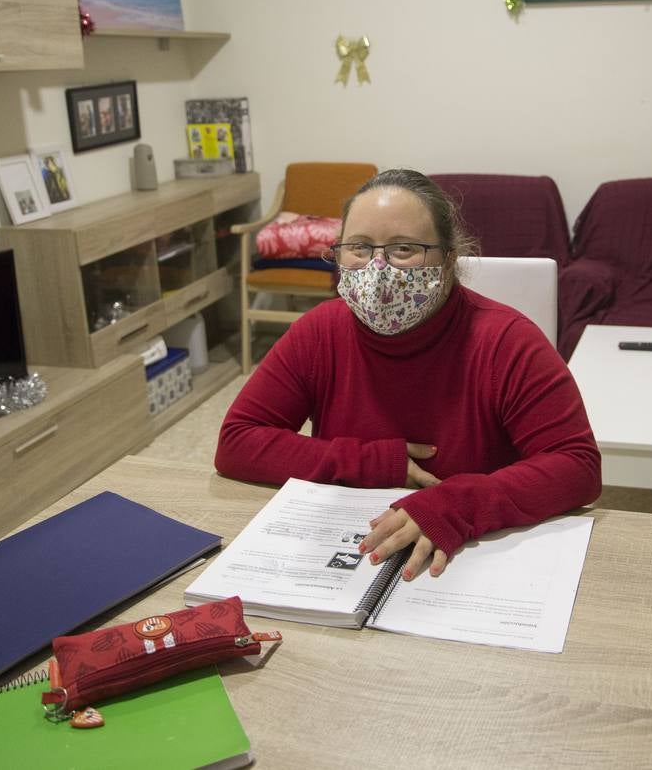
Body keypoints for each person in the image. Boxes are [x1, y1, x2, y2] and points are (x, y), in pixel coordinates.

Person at [215, 168, 601, 580]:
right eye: (359, 248)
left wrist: (458, 503)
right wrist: (372, 463)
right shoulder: (320, 331)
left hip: (472, 558)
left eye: (403, 250)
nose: (378, 268)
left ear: (450, 260)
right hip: (351, 553)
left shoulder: (508, 340)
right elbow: (238, 441)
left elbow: (577, 466)